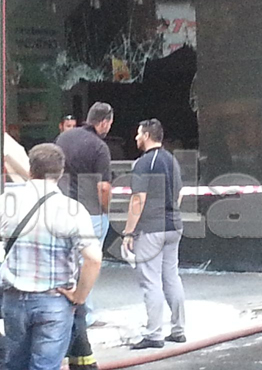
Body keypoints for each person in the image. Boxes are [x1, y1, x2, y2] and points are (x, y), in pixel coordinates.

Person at [0, 143, 102, 370]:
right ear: (60, 172)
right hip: (54, 301)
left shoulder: (6, 201)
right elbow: (93, 259)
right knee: (45, 366)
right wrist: (79, 296)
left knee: (15, 365)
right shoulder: (72, 209)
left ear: (31, 169)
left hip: (13, 299)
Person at [123, 119, 186, 350]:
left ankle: (154, 334)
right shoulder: (171, 160)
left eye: (139, 134)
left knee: (151, 281)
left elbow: (138, 199)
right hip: (174, 226)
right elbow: (179, 193)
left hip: (151, 229)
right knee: (172, 277)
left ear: (147, 136)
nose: (136, 138)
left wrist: (129, 232)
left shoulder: (143, 163)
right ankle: (178, 330)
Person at [55, 102, 113, 326]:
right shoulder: (99, 147)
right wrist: (105, 210)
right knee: (89, 262)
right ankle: (85, 314)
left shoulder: (63, 139)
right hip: (90, 213)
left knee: (65, 260)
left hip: (62, 209)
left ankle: (63, 309)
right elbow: (104, 187)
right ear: (104, 122)